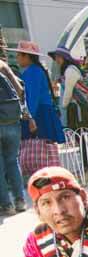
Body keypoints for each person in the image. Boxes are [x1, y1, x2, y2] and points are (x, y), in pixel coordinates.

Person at [8, 41, 65, 186]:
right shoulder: (37, 70)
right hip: (42, 112)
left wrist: (29, 117)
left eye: (19, 55)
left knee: (40, 148)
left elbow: (31, 97)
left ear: (27, 56)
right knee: (45, 149)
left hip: (38, 113)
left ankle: (45, 182)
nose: (17, 58)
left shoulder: (32, 72)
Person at [0, 37, 27, 216]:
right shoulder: (3, 65)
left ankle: (6, 205)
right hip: (11, 120)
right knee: (12, 161)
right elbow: (20, 90)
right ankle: (20, 201)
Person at [49, 47, 88, 130]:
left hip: (75, 108)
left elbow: (68, 91)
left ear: (64, 58)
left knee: (79, 131)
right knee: (79, 132)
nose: (56, 60)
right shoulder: (69, 70)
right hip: (75, 107)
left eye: (58, 57)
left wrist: (63, 107)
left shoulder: (70, 70)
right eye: (55, 58)